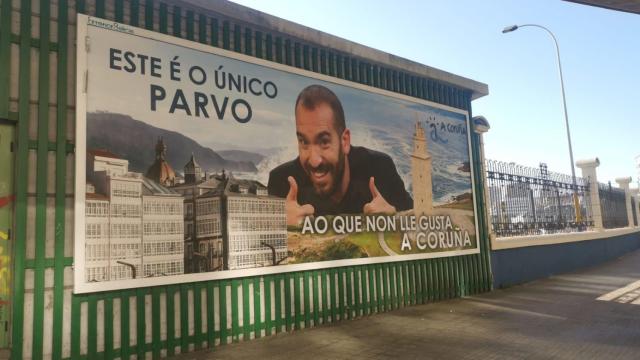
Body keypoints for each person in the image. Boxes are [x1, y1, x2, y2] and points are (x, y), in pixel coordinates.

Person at [268, 84, 413, 226]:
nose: (314, 161)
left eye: (324, 141)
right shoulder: (281, 183)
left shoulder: (380, 169)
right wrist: (279, 225)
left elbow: (419, 223)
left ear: (344, 141)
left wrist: (396, 220)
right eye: (304, 142)